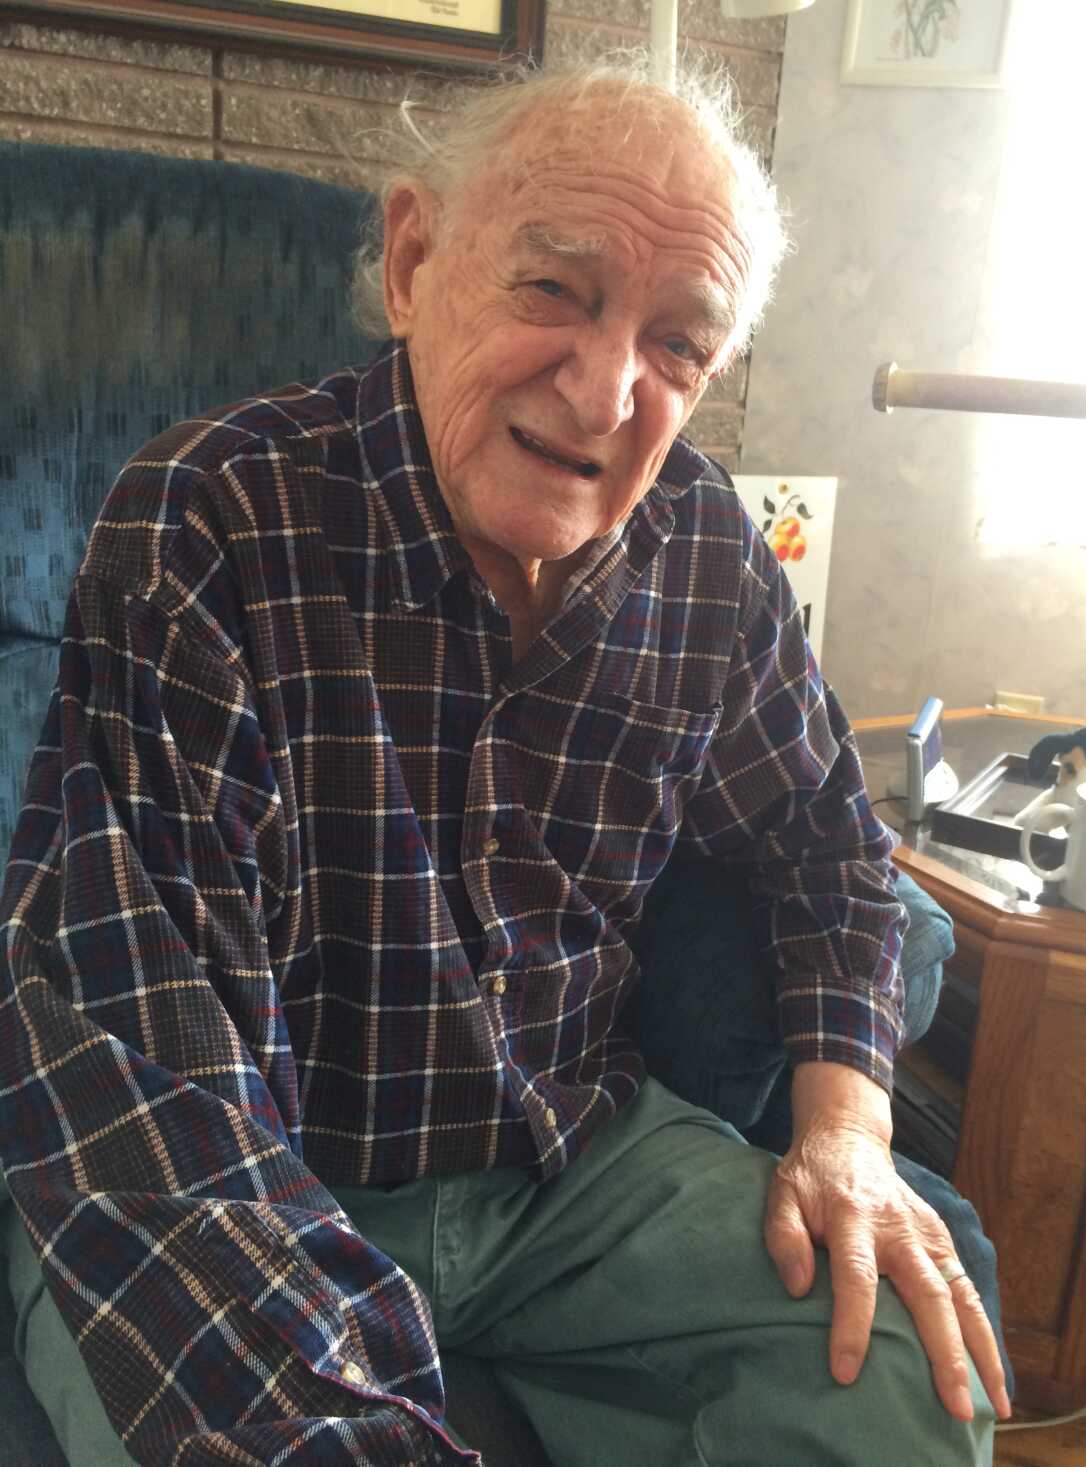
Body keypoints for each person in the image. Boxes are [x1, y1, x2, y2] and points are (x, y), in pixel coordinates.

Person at [0, 54, 1010, 1467]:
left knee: (903, 1363)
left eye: (678, 340)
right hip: (244, 1169)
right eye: (556, 289)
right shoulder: (208, 519)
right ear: (414, 261)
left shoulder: (706, 554)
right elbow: (144, 1054)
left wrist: (844, 1123)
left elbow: (827, 848)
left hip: (567, 1178)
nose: (606, 393)